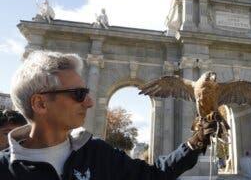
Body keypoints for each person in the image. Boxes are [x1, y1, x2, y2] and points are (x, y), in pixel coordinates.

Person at [0, 51, 219, 180]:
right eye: (79, 94)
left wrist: (194, 144)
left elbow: (153, 175)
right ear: (40, 103)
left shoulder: (97, 152)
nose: (90, 102)